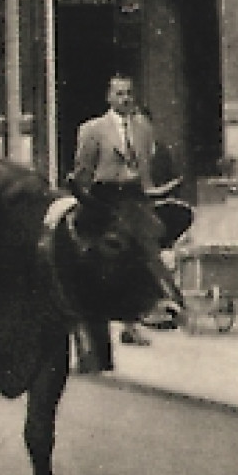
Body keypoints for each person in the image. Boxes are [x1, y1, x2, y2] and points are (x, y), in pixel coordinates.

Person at [71, 73, 176, 351]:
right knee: (103, 260)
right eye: (119, 93)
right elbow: (83, 172)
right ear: (109, 97)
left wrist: (150, 195)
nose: (125, 99)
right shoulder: (92, 129)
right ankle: (91, 330)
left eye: (129, 93)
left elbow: (145, 167)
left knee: (143, 253)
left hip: (135, 199)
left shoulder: (143, 128)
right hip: (104, 199)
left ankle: (139, 319)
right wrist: (85, 202)